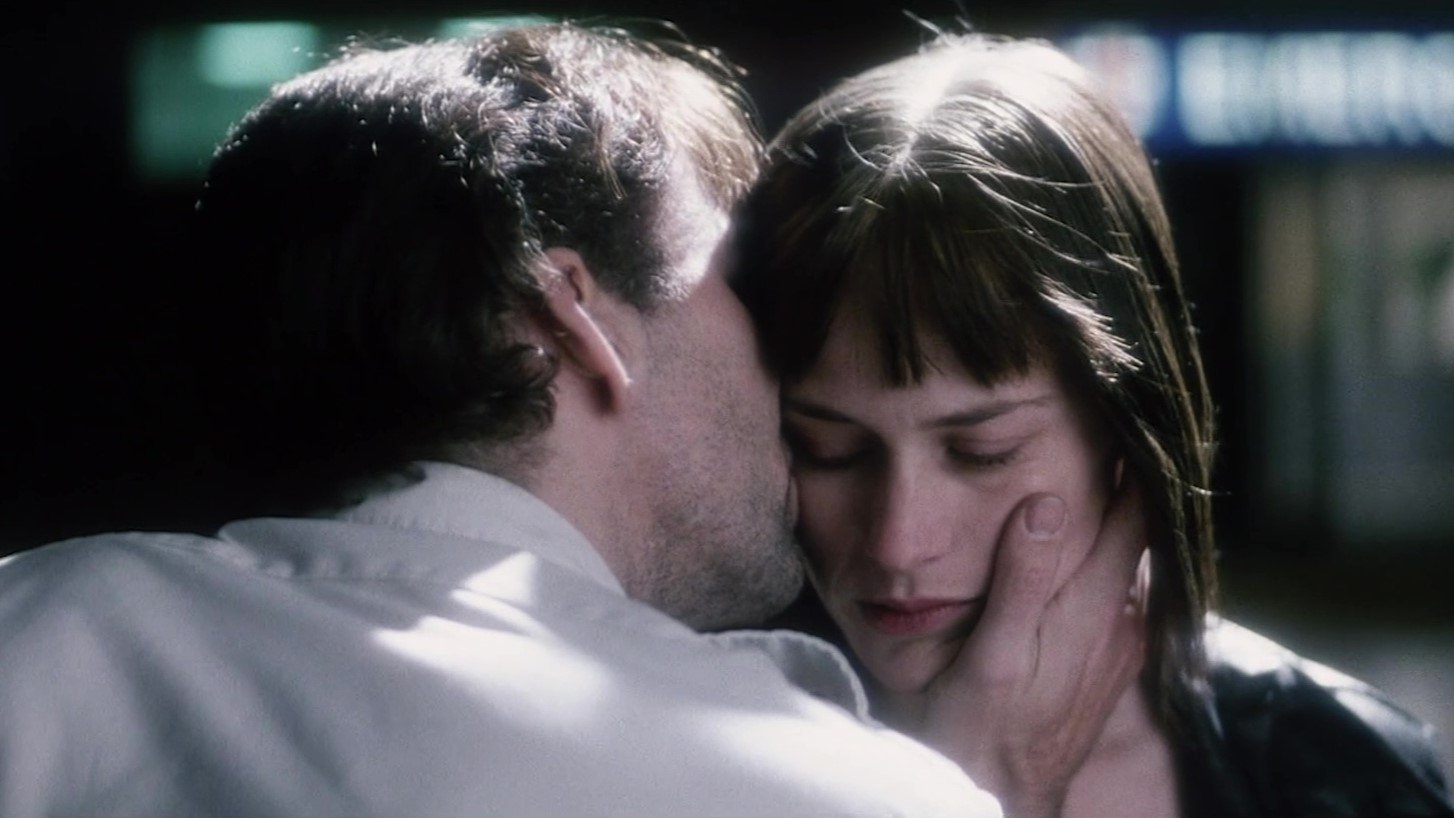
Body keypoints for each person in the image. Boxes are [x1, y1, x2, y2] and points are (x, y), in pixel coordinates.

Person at [0, 21, 1138, 817]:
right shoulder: (835, 791)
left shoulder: (36, 626)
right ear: (576, 316)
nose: (782, 360)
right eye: (736, 284)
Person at [735, 31, 1454, 818]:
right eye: (830, 449)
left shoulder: (1343, 773)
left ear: (1126, 430)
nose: (898, 544)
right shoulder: (684, 755)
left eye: (983, 451)